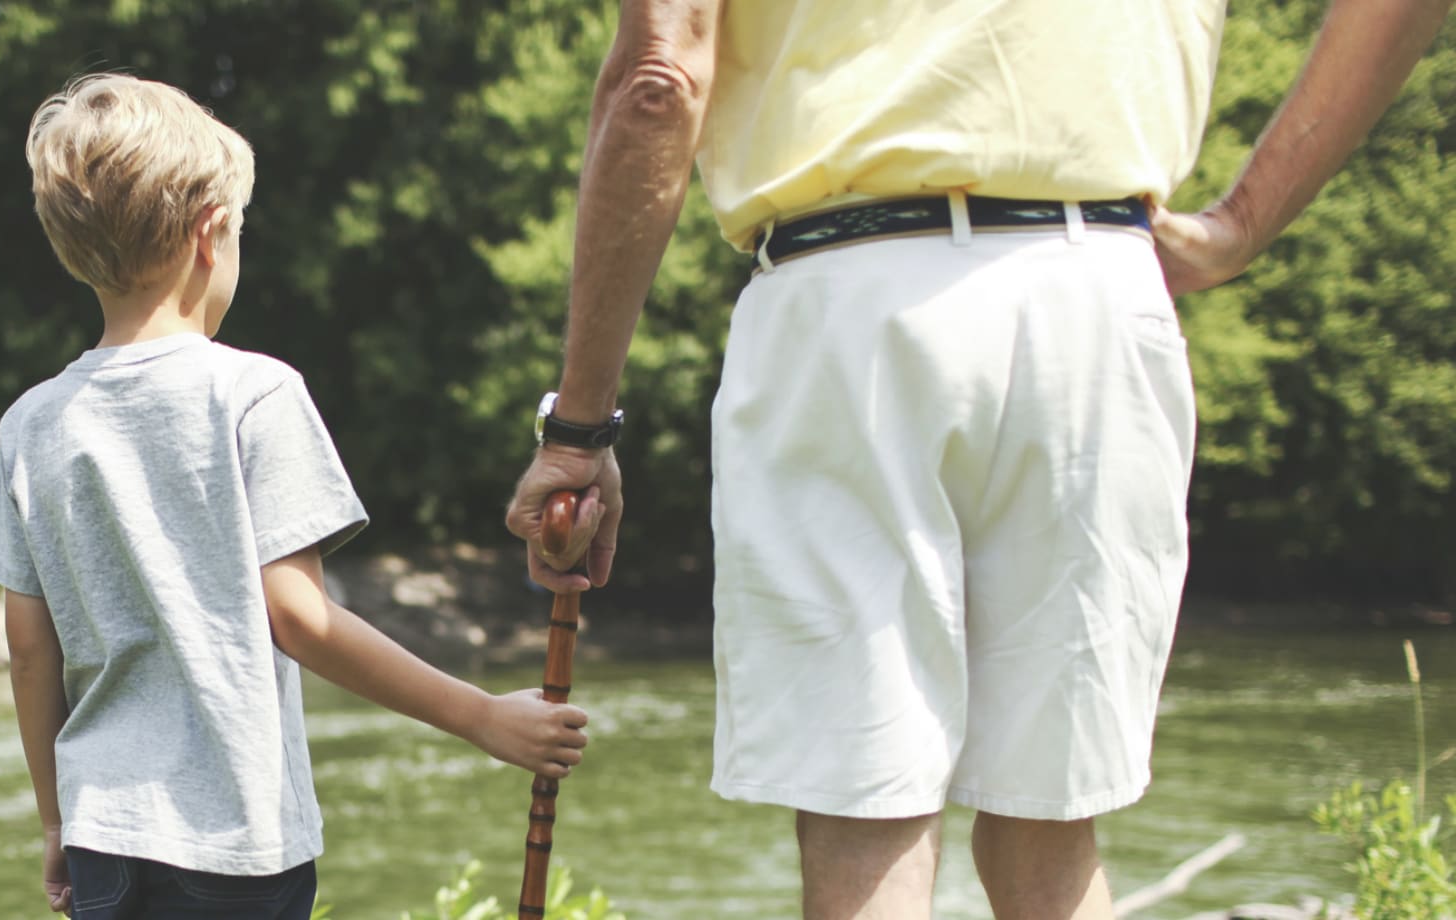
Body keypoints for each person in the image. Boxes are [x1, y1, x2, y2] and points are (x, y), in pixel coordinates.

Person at [504, 1, 1454, 917]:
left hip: (847, 297)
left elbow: (660, 83)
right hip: (1099, 289)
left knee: (864, 824)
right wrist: (1245, 220)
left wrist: (580, 426)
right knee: (1052, 836)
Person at [0, 74, 591, 920]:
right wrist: (482, 717)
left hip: (101, 835)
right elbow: (299, 618)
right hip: (233, 842)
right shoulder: (254, 394)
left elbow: (28, 648)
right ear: (210, 235)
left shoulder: (31, 425)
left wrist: (55, 821)